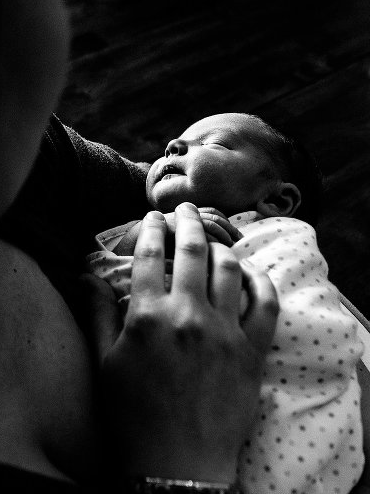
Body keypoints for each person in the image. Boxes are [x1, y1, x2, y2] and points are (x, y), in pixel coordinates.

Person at [0, 0, 282, 492]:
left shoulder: (32, 156)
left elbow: (143, 182)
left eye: (209, 144)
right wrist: (185, 471)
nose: (173, 146)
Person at [88, 113, 367, 494]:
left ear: (276, 199)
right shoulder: (153, 228)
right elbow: (106, 271)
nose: (172, 146)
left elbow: (315, 309)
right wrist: (141, 235)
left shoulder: (283, 235)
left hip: (300, 372)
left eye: (213, 143)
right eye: (172, 144)